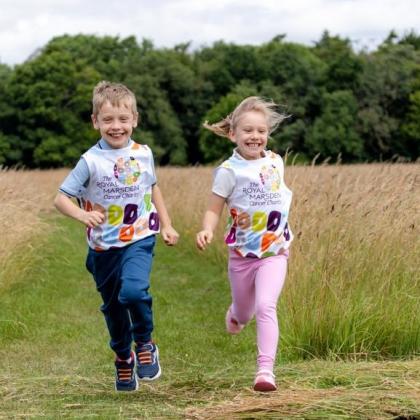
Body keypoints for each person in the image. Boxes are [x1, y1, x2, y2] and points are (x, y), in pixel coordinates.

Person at [54, 81, 179, 392]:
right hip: (103, 247)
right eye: (107, 119)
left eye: (123, 119)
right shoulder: (89, 161)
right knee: (113, 308)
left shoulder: (144, 154)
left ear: (134, 119)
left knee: (134, 292)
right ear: (95, 121)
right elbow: (61, 198)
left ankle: (145, 343)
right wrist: (82, 215)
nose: (116, 126)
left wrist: (167, 224)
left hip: (139, 236)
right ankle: (123, 358)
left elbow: (152, 188)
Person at [196, 96, 293, 392]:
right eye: (248, 131)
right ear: (233, 134)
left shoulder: (276, 161)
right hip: (241, 255)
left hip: (275, 251)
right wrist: (206, 230)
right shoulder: (229, 170)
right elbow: (214, 208)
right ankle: (236, 314)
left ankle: (265, 371)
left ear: (267, 135)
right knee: (244, 312)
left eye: (261, 131)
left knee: (266, 306)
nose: (255, 137)